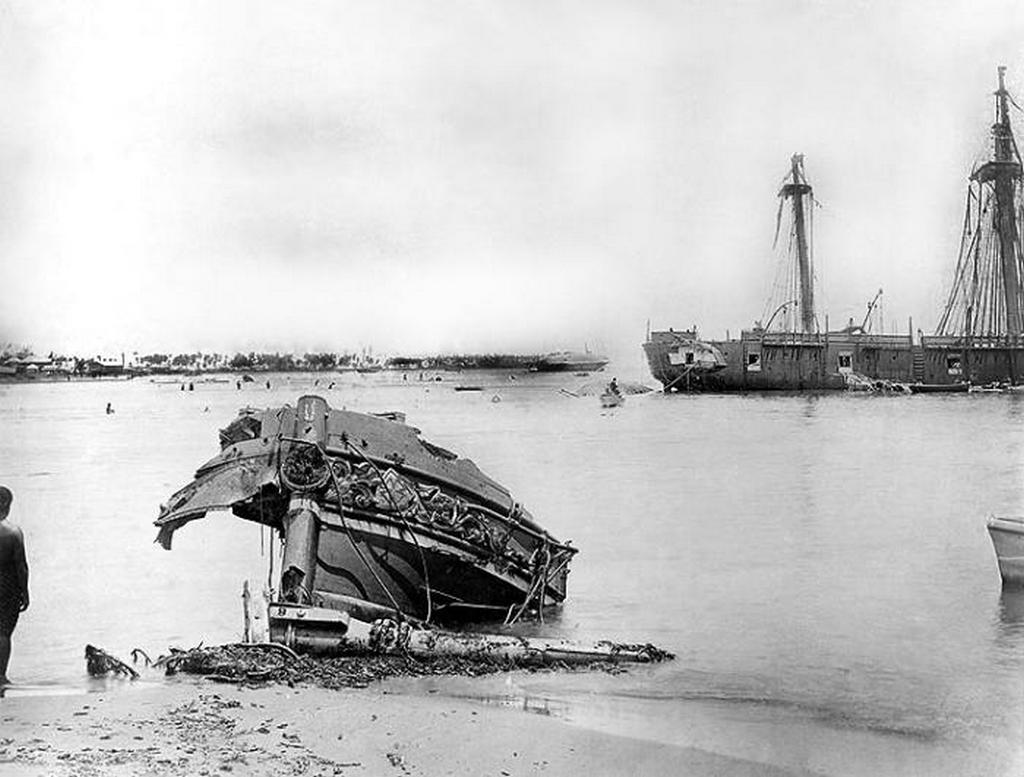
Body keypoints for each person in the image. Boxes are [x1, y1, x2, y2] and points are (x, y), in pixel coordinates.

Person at [0, 486, 29, 685]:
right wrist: (25, 592)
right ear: (5, 505)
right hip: (7, 586)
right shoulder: (13, 532)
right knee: (3, 633)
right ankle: (0, 676)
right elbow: (21, 566)